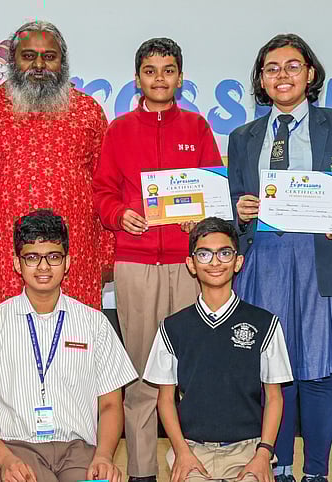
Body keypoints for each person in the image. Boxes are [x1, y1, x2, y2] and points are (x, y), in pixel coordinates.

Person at [227, 33, 332, 482]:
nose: (282, 75)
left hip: (320, 260)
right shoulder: (243, 137)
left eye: (293, 66)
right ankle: (278, 466)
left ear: (310, 74)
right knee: (274, 371)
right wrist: (239, 210)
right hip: (265, 261)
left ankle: (316, 473)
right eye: (272, 68)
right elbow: (234, 199)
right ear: (261, 80)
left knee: (316, 371)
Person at [92, 37, 223, 482]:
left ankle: (197, 465)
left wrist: (200, 219)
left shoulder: (198, 128)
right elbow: (102, 193)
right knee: (144, 372)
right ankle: (143, 472)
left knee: (194, 370)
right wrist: (118, 214)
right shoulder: (119, 130)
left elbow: (213, 192)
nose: (159, 78)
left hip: (190, 267)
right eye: (151, 71)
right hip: (136, 264)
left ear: (180, 77)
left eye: (168, 70)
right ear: (138, 78)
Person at [0, 210, 137, 482]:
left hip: (79, 452)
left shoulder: (95, 324)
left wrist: (103, 455)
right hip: (14, 448)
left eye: (53, 257)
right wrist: (5, 459)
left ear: (67, 262)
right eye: (32, 258)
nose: (43, 267)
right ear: (18, 264)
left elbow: (111, 404)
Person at [0, 20, 113, 313]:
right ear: (12, 61)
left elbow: (107, 184)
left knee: (75, 346)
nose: (38, 64)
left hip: (76, 258)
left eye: (49, 56)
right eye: (28, 56)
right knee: (3, 344)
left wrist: (107, 256)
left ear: (62, 62)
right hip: (0, 260)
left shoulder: (88, 111)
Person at [144, 217, 293, 482]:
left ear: (238, 262)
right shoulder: (172, 327)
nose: (215, 262)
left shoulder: (265, 324)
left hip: (248, 450)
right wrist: (181, 451)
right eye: (204, 254)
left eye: (224, 253)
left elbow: (274, 397)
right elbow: (165, 400)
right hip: (192, 450)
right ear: (191, 264)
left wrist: (263, 453)